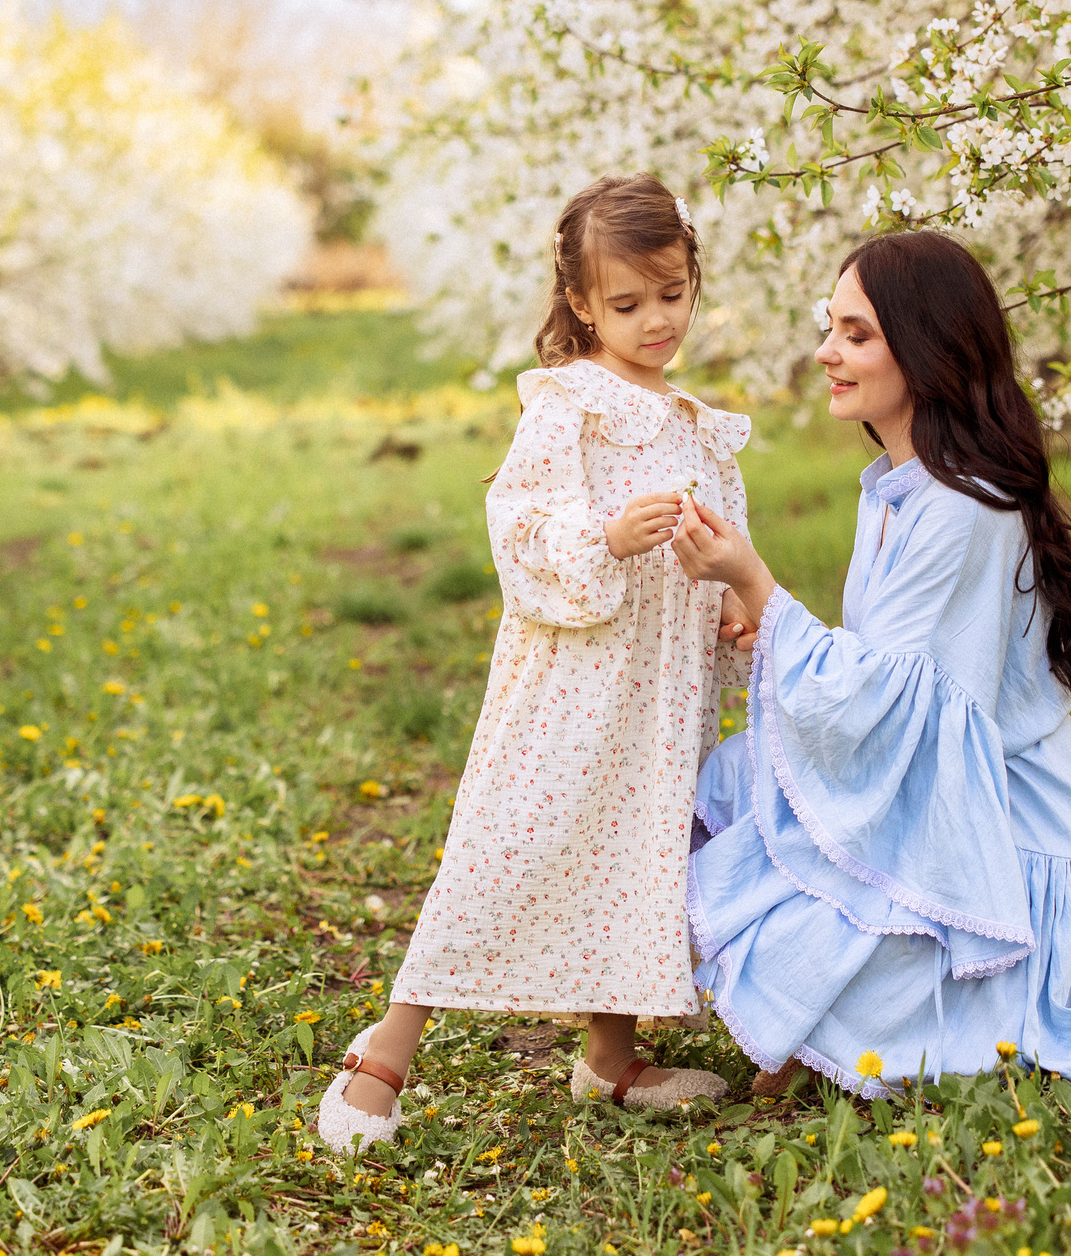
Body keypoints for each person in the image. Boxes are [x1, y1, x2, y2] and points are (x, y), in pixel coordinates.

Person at [668, 230, 1071, 1097]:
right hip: (936, 783)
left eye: (856, 334)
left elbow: (890, 702)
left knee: (834, 912)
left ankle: (820, 1028)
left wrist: (755, 579)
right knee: (730, 788)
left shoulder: (966, 507)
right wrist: (766, 622)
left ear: (927, 350)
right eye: (831, 326)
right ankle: (797, 1024)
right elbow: (889, 676)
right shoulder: (899, 490)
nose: (826, 351)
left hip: (1006, 823)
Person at [317, 174, 751, 1153]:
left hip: (657, 695)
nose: (655, 321)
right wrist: (603, 533)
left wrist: (727, 594)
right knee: (512, 839)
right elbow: (519, 522)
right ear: (582, 305)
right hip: (575, 686)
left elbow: (726, 534)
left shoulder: (694, 419)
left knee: (641, 847)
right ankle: (390, 1041)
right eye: (628, 304)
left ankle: (610, 1052)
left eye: (671, 295)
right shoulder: (571, 406)